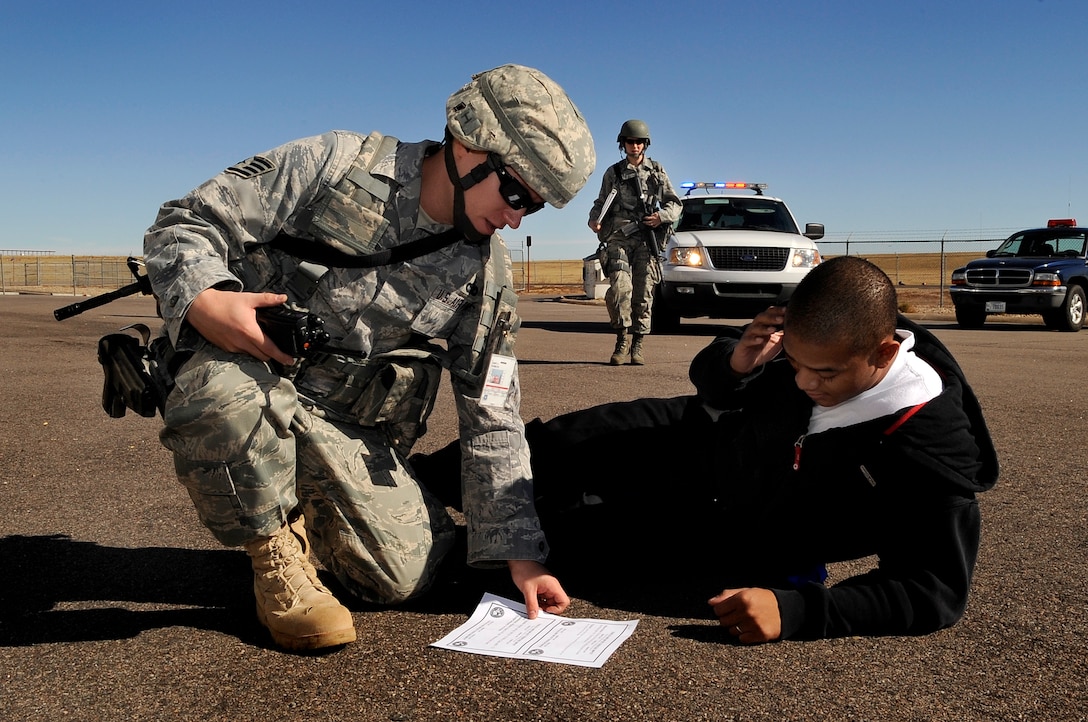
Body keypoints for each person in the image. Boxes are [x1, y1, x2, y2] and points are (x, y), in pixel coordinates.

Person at [141, 64, 596, 651]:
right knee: (223, 396)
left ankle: (298, 496)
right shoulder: (337, 164)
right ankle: (274, 556)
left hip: (339, 423)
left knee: (402, 577)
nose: (514, 216)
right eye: (514, 193)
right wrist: (207, 300)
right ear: (468, 145)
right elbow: (186, 221)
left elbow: (494, 410)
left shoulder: (486, 274)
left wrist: (519, 552)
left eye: (531, 209)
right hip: (246, 369)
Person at [414, 256, 999, 642]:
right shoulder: (810, 347)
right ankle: (386, 488)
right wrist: (737, 362)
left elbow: (934, 590)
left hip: (721, 523)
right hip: (687, 437)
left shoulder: (932, 449)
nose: (802, 384)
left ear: (884, 354)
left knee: (553, 547)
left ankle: (385, 552)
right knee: (545, 446)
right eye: (793, 363)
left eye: (822, 374)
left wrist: (797, 613)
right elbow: (717, 386)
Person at [587, 119, 681, 365]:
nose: (635, 146)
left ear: (645, 144)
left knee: (643, 293)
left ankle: (638, 345)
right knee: (619, 290)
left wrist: (660, 217)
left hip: (646, 241)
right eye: (630, 141)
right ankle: (621, 341)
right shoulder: (614, 173)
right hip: (618, 238)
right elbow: (601, 202)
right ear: (623, 144)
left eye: (639, 142)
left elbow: (675, 204)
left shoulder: (657, 172)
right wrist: (594, 219)